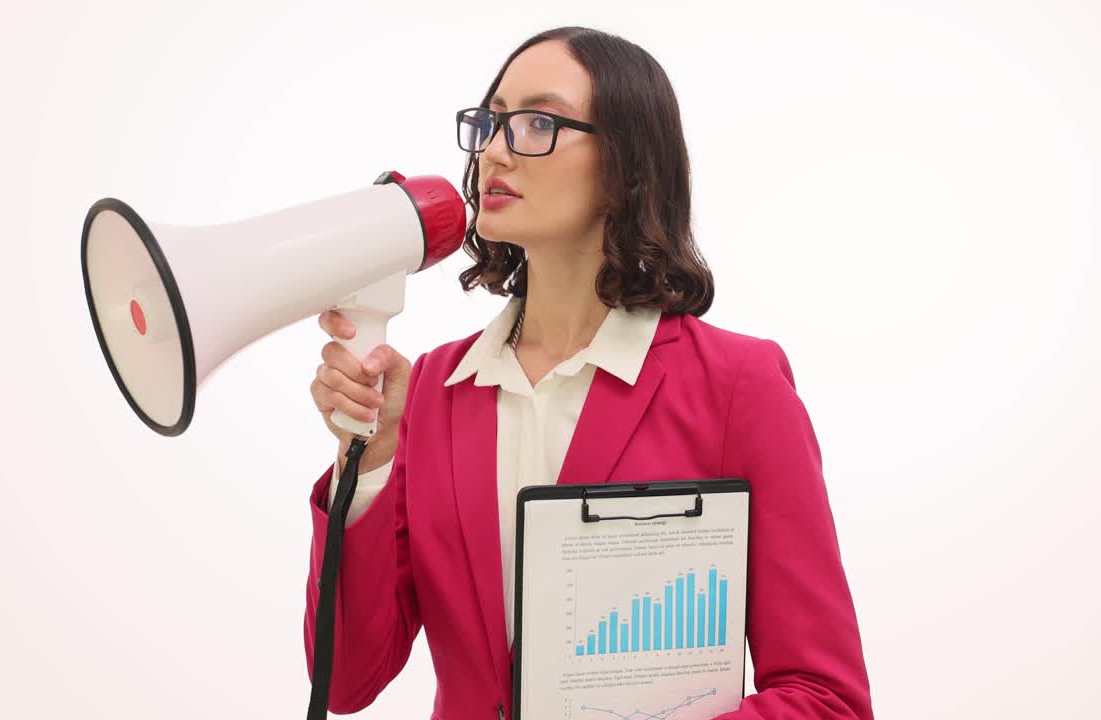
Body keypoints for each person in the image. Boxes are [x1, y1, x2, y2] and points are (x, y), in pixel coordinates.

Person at [304, 25, 873, 720]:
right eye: (489, 122)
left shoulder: (737, 385)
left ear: (626, 165)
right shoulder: (431, 391)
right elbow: (345, 682)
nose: (492, 151)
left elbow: (827, 700)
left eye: (536, 123)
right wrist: (368, 463)